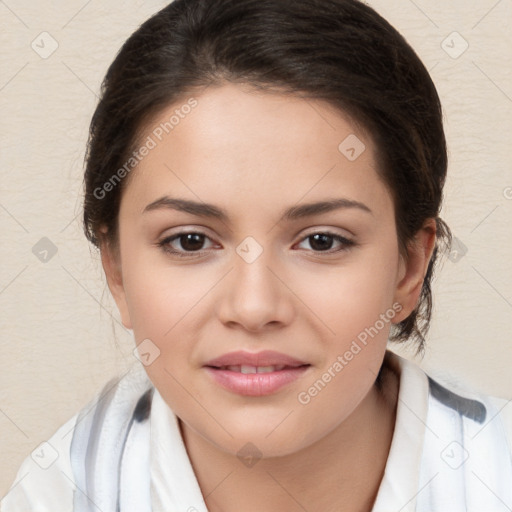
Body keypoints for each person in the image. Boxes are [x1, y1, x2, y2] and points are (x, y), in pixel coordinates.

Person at [2, 0, 511, 511]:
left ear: (409, 269)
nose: (253, 307)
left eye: (321, 241)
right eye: (190, 241)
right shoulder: (58, 493)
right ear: (116, 269)